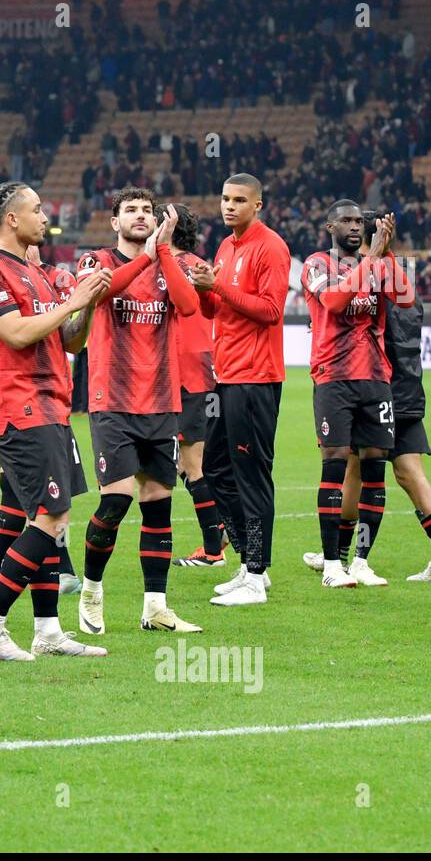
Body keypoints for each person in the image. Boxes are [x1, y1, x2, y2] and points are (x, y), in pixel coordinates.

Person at [0, 182, 107, 661]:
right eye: (37, 209)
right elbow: (16, 333)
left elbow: (71, 342)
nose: (46, 217)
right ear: (11, 220)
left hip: (52, 405)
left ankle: (47, 631)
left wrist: (87, 306)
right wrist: (72, 302)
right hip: (17, 406)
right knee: (51, 516)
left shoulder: (41, 273)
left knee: (48, 520)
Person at [74, 191, 202, 636]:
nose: (141, 216)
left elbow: (188, 306)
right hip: (112, 400)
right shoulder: (96, 261)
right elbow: (105, 291)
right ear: (114, 223)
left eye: (148, 210)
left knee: (158, 507)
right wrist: (147, 258)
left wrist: (162, 252)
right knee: (116, 500)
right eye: (131, 210)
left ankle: (155, 607)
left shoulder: (171, 262)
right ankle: (91, 590)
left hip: (162, 402)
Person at [303, 271, 431, 583]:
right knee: (411, 473)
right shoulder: (404, 289)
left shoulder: (375, 291)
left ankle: (336, 556)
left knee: (353, 471)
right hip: (408, 392)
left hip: (376, 390)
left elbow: (357, 328)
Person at [189, 173, 290, 606]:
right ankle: (250, 560)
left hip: (256, 377)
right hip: (227, 374)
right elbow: (217, 307)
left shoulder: (271, 247)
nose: (229, 206)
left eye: (239, 200)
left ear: (258, 205)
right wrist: (204, 290)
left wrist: (220, 288)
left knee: (251, 476)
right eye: (226, 199)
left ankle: (256, 574)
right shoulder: (228, 246)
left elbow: (270, 311)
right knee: (214, 468)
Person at [301, 202, 413, 588]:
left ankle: (362, 562)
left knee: (375, 471)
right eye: (346, 221)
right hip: (334, 377)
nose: (354, 226)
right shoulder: (316, 264)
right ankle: (332, 564)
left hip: (376, 378)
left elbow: (406, 297)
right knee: (333, 465)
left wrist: (388, 253)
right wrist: (373, 258)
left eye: (359, 221)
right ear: (330, 225)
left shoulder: (380, 262)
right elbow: (334, 302)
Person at [165, 203, 227, 568]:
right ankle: (218, 530)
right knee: (184, 463)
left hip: (184, 373)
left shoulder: (167, 267)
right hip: (200, 370)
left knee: (192, 465)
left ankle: (214, 545)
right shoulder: (200, 266)